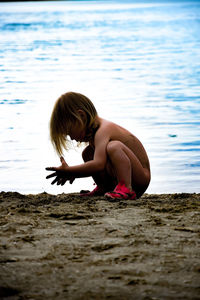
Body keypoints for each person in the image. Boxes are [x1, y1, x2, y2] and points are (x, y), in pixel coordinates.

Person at [46, 91, 151, 200]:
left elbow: (98, 164)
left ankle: (125, 189)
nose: (71, 138)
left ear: (81, 116)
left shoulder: (103, 129)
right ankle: (104, 187)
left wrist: (70, 171)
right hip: (128, 175)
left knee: (114, 147)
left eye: (69, 132)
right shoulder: (95, 134)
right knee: (88, 153)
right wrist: (73, 173)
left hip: (140, 179)